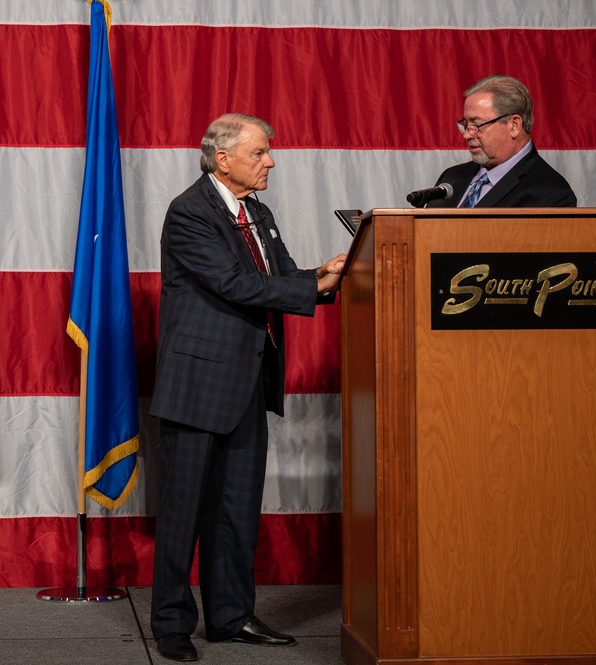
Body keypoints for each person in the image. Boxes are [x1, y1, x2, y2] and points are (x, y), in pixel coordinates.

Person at [149, 113, 345, 662]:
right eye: (259, 153)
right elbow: (236, 285)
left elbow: (282, 275)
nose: (270, 161)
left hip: (247, 383)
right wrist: (310, 285)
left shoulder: (257, 211)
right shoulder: (190, 211)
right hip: (198, 384)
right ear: (222, 158)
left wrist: (330, 275)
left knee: (237, 510)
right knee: (184, 511)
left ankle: (231, 617)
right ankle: (170, 623)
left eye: (267, 153)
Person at [427, 74, 577, 208]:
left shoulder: (552, 194)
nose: (466, 135)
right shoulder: (452, 177)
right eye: (466, 125)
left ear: (514, 125)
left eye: (477, 125)